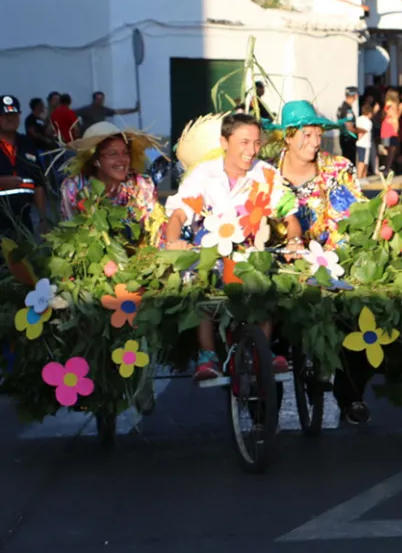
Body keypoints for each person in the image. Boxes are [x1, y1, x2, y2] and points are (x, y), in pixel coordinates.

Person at [165, 112, 303, 380]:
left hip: (254, 251)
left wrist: (295, 240)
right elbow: (179, 213)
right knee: (201, 289)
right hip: (211, 252)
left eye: (256, 143)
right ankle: (207, 356)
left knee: (268, 285)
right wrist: (173, 242)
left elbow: (289, 215)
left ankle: (263, 349)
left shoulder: (266, 173)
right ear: (224, 142)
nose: (251, 150)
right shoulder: (204, 174)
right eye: (243, 142)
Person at [263, 100, 372, 424]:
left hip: (332, 259)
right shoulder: (265, 171)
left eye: (318, 134)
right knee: (266, 318)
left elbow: (352, 216)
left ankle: (350, 394)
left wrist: (329, 257)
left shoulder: (338, 168)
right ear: (287, 136)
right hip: (279, 260)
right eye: (306, 134)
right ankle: (265, 400)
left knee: (360, 314)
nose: (314, 141)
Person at [59, 122, 164, 243]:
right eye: (112, 154)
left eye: (125, 153)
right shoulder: (75, 188)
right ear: (94, 160)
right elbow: (72, 234)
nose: (122, 160)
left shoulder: (141, 185)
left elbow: (155, 230)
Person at [0, 95, 47, 237]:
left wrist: (43, 218)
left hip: (24, 220)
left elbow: (38, 182)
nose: (10, 118)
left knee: (26, 258)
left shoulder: (27, 143)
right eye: (4, 115)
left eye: (14, 114)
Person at [75, 92, 141, 132]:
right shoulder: (86, 110)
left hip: (100, 135)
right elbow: (72, 113)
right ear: (94, 99)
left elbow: (118, 111)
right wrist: (77, 127)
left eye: (102, 99)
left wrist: (134, 110)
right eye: (98, 99)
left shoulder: (104, 110)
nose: (101, 101)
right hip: (88, 136)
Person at [337, 86, 361, 165]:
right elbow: (349, 127)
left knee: (346, 161)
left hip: (343, 137)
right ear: (354, 95)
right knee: (350, 163)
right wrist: (361, 132)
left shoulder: (341, 107)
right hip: (348, 138)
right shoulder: (347, 110)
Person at [355, 99, 374, 180]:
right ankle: (361, 177)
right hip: (365, 144)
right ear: (369, 113)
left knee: (361, 160)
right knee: (363, 162)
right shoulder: (368, 122)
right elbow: (363, 132)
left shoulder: (358, 119)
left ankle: (362, 177)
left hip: (358, 144)